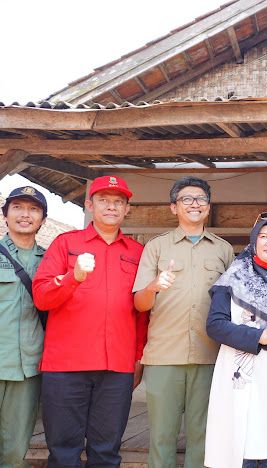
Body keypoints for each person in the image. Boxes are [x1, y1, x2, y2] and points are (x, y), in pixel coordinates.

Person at [32, 175, 147, 467]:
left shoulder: (137, 253)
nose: (111, 207)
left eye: (118, 201)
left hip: (116, 367)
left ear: (127, 208)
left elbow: (142, 314)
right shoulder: (65, 244)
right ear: (89, 204)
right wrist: (74, 277)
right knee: (63, 452)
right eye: (103, 200)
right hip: (66, 366)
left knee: (106, 453)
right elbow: (42, 297)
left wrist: (137, 360)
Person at [133, 176, 234, 468]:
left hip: (210, 354)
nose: (194, 204)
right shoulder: (156, 247)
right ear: (173, 207)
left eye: (200, 199)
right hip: (164, 356)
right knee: (162, 437)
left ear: (208, 207)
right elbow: (140, 303)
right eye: (186, 199)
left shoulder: (223, 250)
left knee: (203, 436)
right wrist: (152, 286)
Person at [204, 213, 267, 468]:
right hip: (244, 374)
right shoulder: (232, 280)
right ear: (253, 241)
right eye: (264, 237)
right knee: (243, 447)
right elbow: (215, 326)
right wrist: (258, 335)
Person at [0, 186, 47, 467]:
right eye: (17, 207)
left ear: (42, 218)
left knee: (16, 450)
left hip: (29, 367)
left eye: (33, 209)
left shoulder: (53, 259)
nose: (25, 215)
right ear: (5, 215)